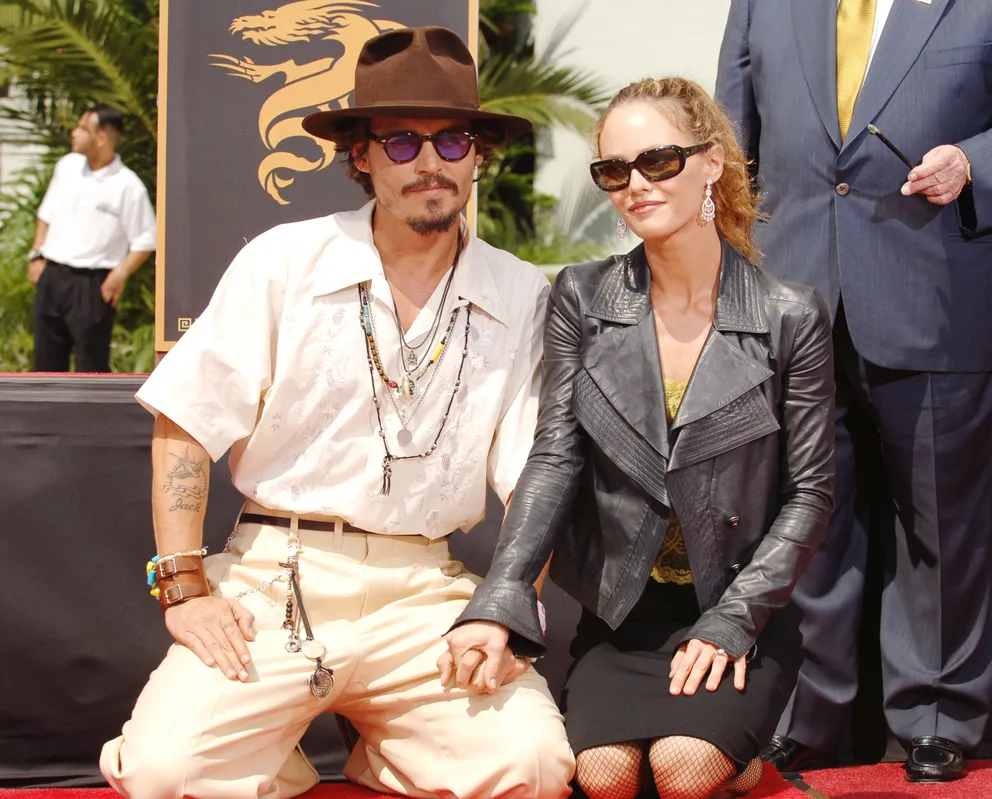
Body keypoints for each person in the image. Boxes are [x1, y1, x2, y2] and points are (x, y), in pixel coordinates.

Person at [99, 27, 574, 799]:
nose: (430, 162)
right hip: (273, 577)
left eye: (452, 140)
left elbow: (535, 477)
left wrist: (507, 606)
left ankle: (389, 746)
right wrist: (183, 583)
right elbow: (187, 417)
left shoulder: (522, 293)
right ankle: (285, 744)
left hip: (427, 592)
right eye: (401, 141)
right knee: (163, 771)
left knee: (533, 769)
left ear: (478, 154)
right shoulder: (284, 261)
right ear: (360, 154)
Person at [444, 77, 835, 799]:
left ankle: (738, 762)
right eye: (614, 170)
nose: (635, 185)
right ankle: (738, 767)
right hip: (624, 613)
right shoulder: (584, 298)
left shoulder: (790, 316)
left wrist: (734, 620)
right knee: (604, 775)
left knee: (683, 770)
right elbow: (556, 453)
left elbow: (810, 493)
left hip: (734, 606)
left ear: (711, 162)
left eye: (658, 161)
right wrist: (501, 595)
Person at [716, 0, 992, 782]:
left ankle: (936, 717)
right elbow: (730, 145)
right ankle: (804, 716)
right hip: (791, 299)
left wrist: (974, 162)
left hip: (934, 294)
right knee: (808, 520)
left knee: (941, 522)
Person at [28, 103, 156, 373]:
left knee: (90, 365)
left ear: (102, 136)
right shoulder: (67, 166)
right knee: (45, 365)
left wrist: (119, 275)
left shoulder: (127, 186)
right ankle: (48, 416)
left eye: (83, 128)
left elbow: (145, 240)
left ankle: (90, 417)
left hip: (92, 285)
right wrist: (36, 255)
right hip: (52, 277)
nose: (74, 133)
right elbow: (46, 214)